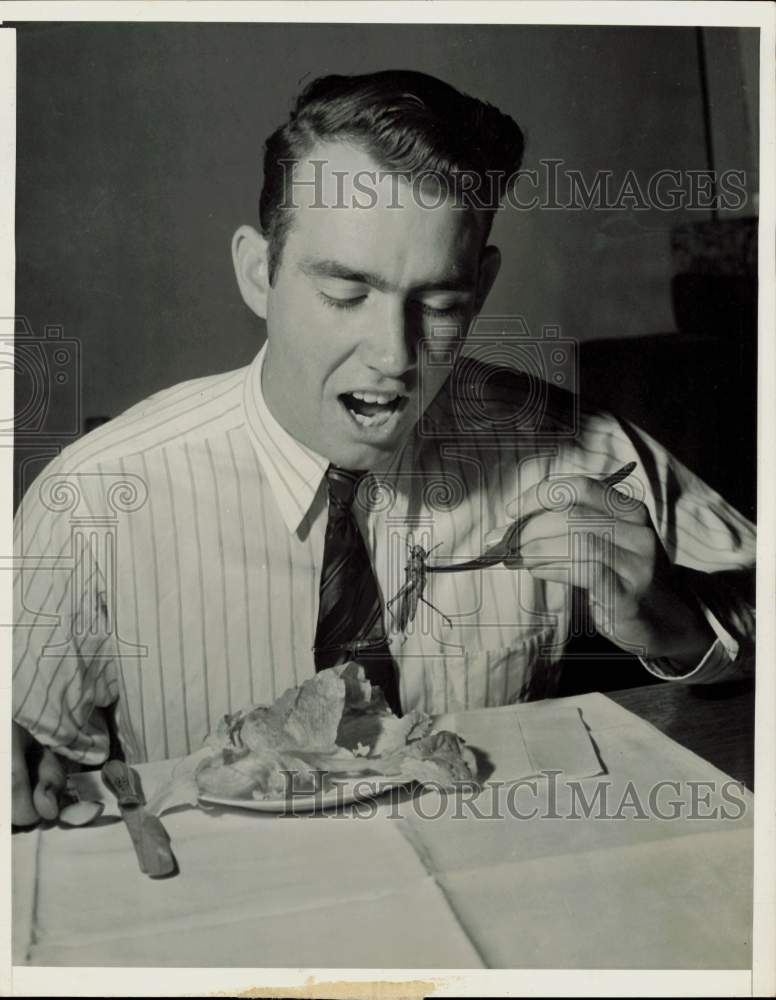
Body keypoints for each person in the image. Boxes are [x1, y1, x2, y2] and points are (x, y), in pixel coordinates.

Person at [12, 70, 755, 826]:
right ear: (257, 274)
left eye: (439, 304)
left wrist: (673, 621)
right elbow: (34, 760)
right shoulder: (98, 494)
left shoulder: (570, 448)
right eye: (345, 294)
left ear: (482, 289)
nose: (394, 355)